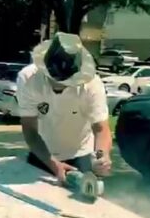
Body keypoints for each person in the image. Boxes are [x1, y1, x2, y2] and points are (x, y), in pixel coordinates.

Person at [16, 32, 113, 183]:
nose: (59, 84)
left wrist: (102, 156)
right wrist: (53, 164)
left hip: (80, 153)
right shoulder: (28, 79)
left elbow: (100, 127)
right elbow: (30, 129)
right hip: (42, 153)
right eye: (54, 78)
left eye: (66, 80)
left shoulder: (92, 84)